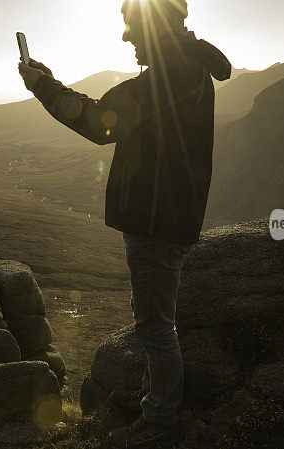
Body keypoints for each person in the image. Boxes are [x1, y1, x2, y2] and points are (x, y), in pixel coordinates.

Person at [18, 0, 230, 447]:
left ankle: (161, 423)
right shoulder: (184, 71)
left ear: (155, 28)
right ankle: (157, 399)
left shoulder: (169, 78)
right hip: (165, 213)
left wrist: (42, 87)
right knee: (155, 321)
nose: (126, 37)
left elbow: (98, 122)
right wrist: (50, 82)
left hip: (158, 219)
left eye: (131, 26)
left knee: (154, 326)